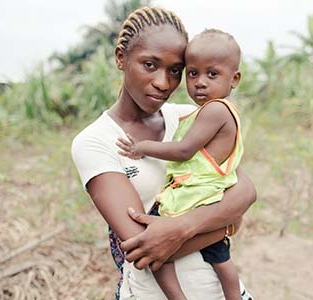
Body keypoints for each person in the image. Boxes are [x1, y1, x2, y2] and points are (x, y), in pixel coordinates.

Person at [71, 6, 256, 300]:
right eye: (149, 65)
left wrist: (181, 228)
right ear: (121, 57)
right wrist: (223, 224)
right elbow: (143, 248)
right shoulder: (96, 141)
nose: (163, 82)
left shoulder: (192, 119)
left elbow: (245, 192)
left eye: (175, 71)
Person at [116, 28, 244, 300]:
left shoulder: (214, 110)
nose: (199, 82)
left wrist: (143, 147)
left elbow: (184, 150)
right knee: (222, 260)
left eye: (212, 74)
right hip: (212, 199)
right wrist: (225, 223)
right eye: (192, 73)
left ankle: (177, 297)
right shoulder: (209, 112)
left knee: (158, 250)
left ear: (234, 79)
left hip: (193, 197)